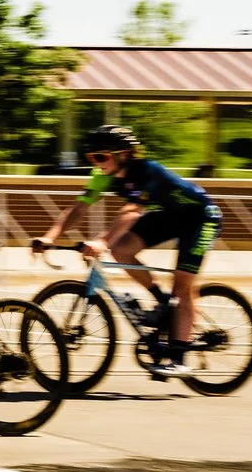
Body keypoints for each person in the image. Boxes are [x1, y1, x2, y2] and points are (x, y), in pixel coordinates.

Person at [33, 123, 222, 378]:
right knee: (121, 250)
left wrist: (102, 241)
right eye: (92, 157)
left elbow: (132, 211)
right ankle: (164, 301)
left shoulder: (148, 172)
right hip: (169, 215)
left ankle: (178, 357)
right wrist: (49, 237)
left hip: (200, 218)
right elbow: (79, 208)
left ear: (123, 154)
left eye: (101, 157)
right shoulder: (103, 176)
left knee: (182, 285)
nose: (96, 163)